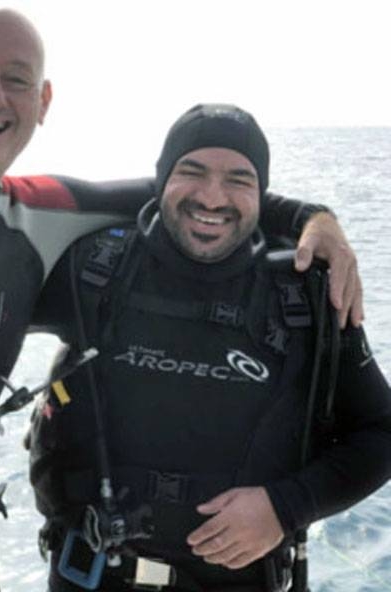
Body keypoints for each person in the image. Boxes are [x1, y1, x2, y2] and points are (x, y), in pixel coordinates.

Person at [0, 8, 361, 592]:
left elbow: (200, 196)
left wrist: (317, 219)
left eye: (16, 80)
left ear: (43, 102)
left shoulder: (43, 218)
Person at [27, 104, 391, 592]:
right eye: (191, 171)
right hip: (89, 576)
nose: (213, 196)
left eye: (239, 179)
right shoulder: (93, 270)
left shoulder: (304, 294)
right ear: (161, 180)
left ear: (260, 193)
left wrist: (285, 507)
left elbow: (381, 433)